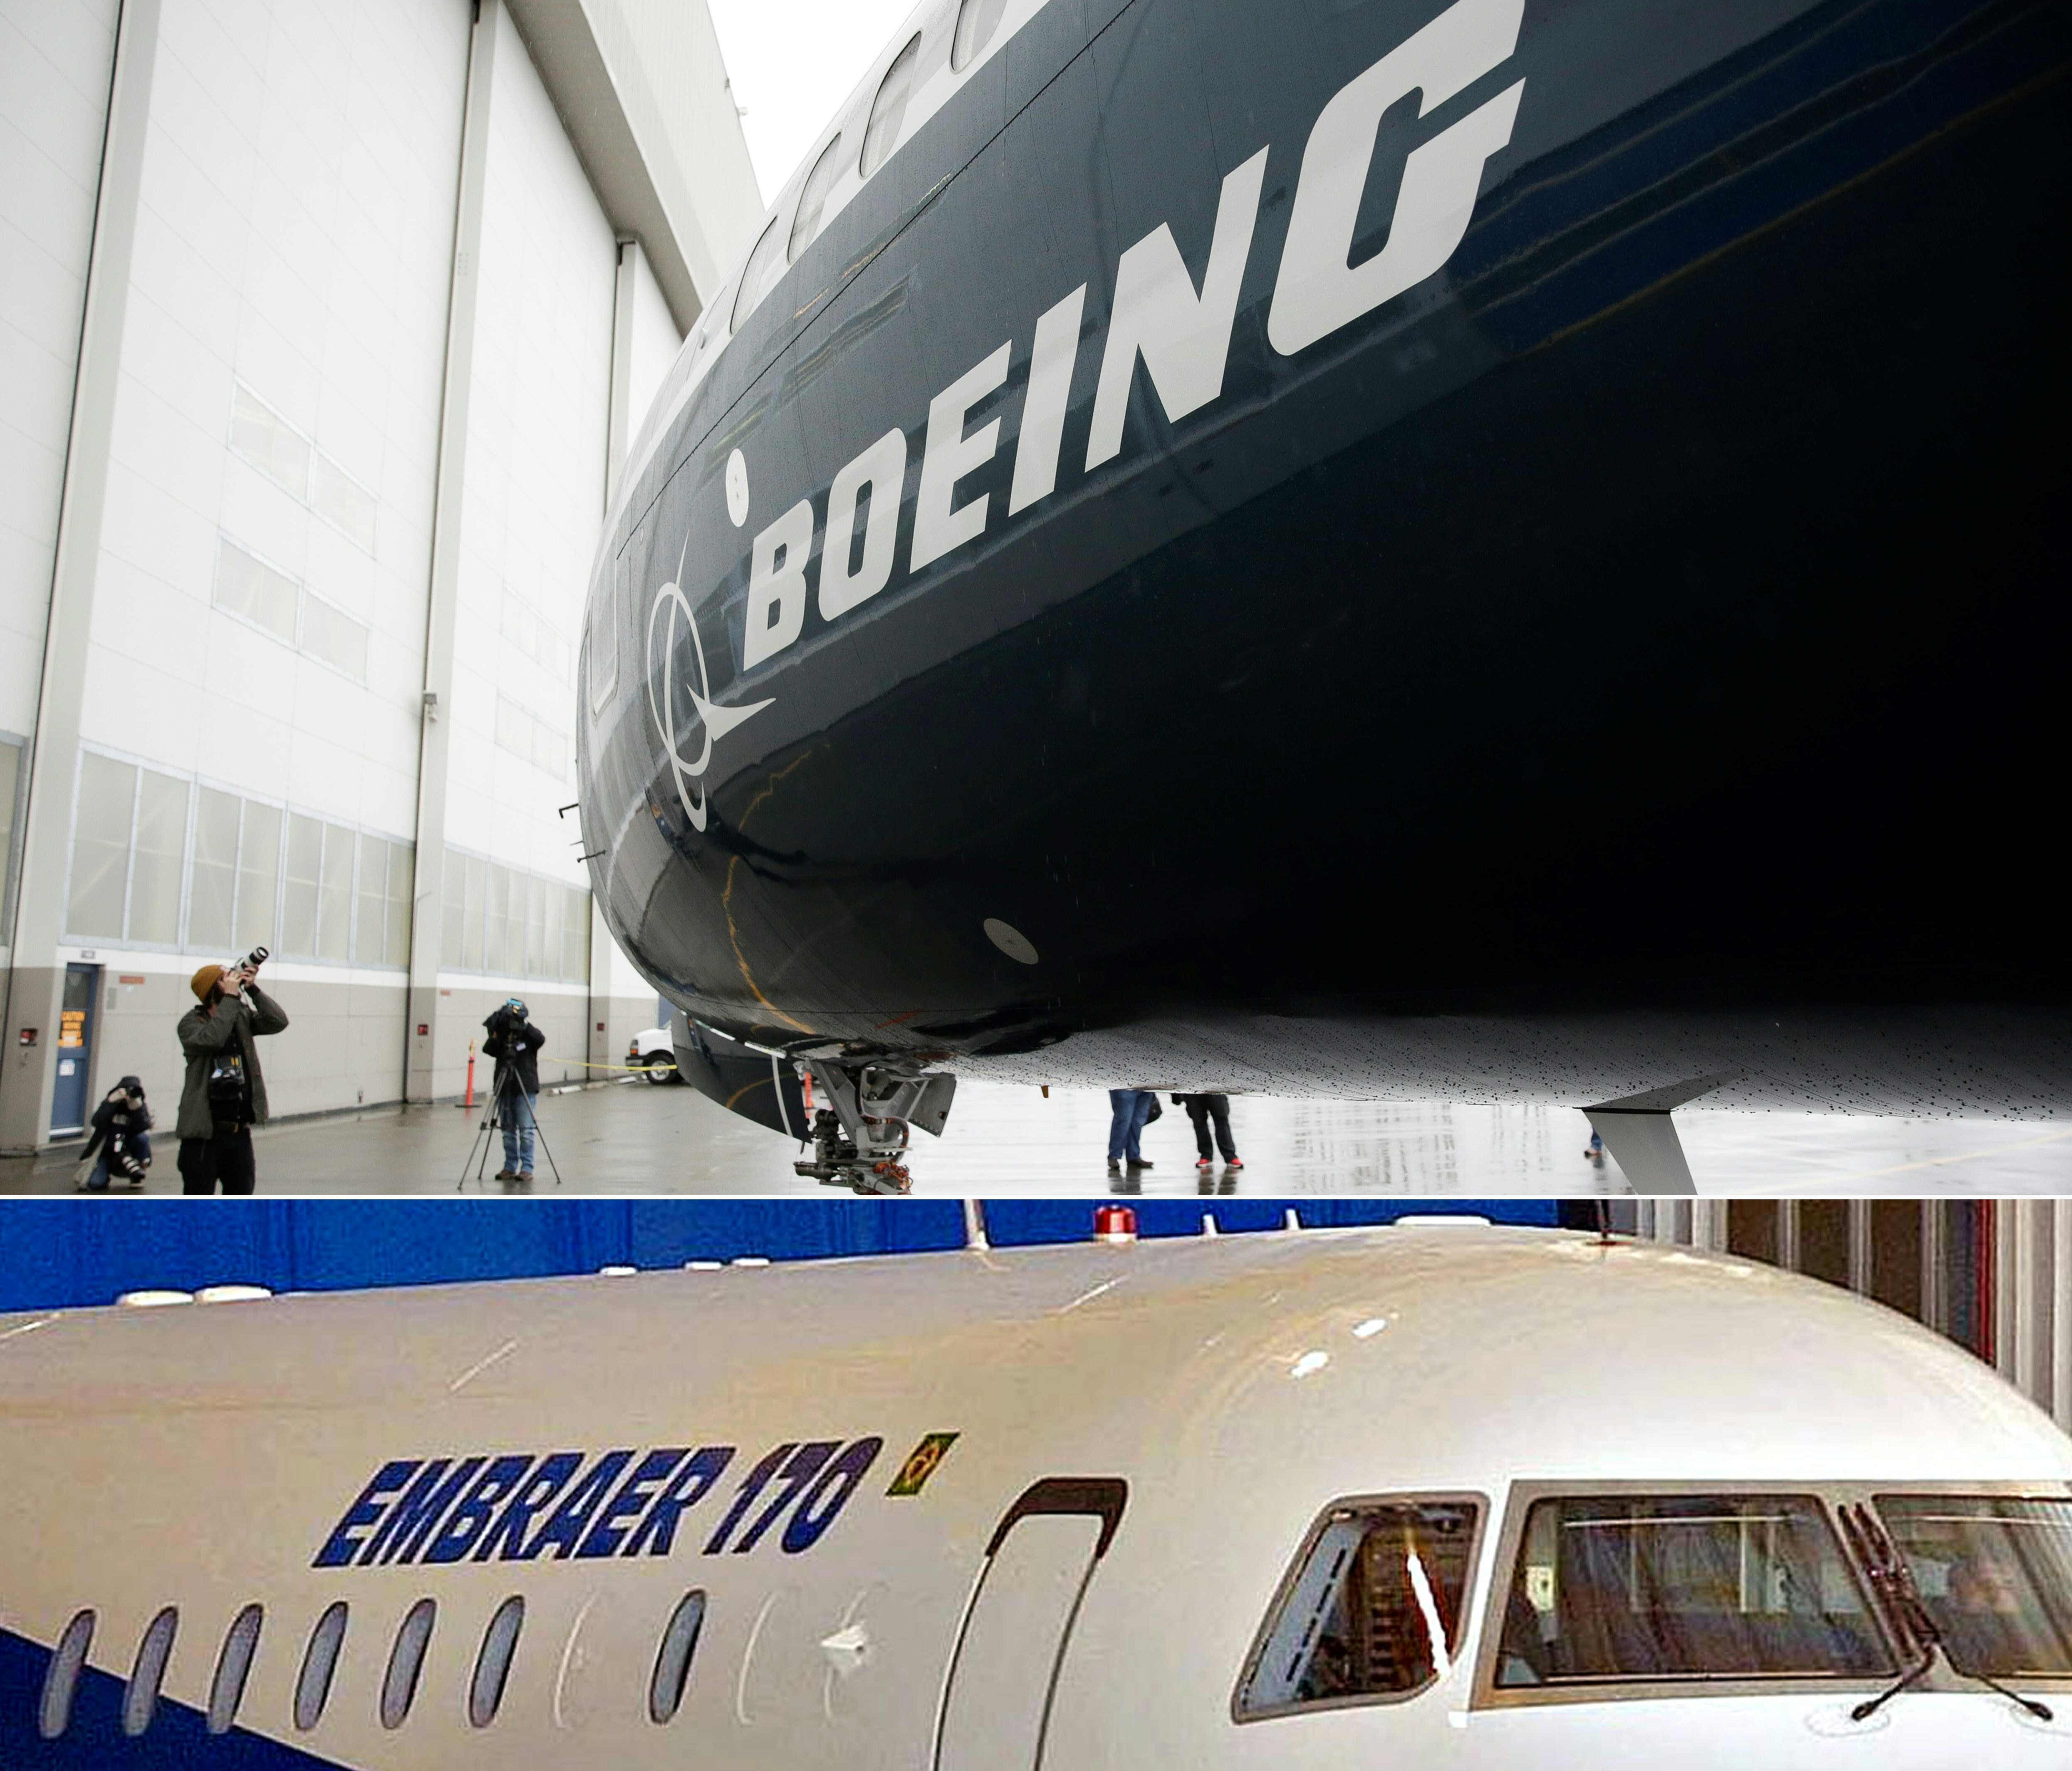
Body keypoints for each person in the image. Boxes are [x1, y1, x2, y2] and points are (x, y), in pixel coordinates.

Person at [176, 961, 289, 1195]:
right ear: (212, 989)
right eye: (225, 978)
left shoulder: (240, 1016)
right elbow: (213, 1039)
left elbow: (278, 1022)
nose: (232, 980)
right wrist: (230, 998)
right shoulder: (190, 1024)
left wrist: (252, 990)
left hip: (238, 1134)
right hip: (204, 1135)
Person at [483, 998, 546, 1181]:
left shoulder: (529, 1034)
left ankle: (527, 1168)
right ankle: (509, 1167)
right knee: (508, 1130)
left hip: (525, 1086)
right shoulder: (502, 1034)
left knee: (526, 1131)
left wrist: (524, 1026)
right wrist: (498, 1032)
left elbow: (540, 1039)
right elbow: (489, 1049)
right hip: (506, 1087)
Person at [76, 1075, 153, 1191]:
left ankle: (137, 1177)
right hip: (107, 1153)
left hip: (128, 1151)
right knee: (96, 1184)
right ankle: (105, 1174)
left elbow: (143, 1127)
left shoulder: (139, 1106)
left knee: (143, 1139)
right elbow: (96, 1122)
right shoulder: (111, 1103)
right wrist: (110, 1103)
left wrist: (137, 1109)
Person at [1173, 1091, 1243, 1171]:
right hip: (1193, 1091)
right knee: (1199, 1123)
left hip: (1216, 1087)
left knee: (1222, 1120)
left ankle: (1230, 1156)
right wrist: (1176, 1095)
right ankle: (1206, 1155)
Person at [1106, 1087, 1156, 1176]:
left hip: (1147, 1084)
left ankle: (1133, 1156)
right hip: (1124, 1083)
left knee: (1137, 1122)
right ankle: (1115, 1156)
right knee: (1124, 1120)